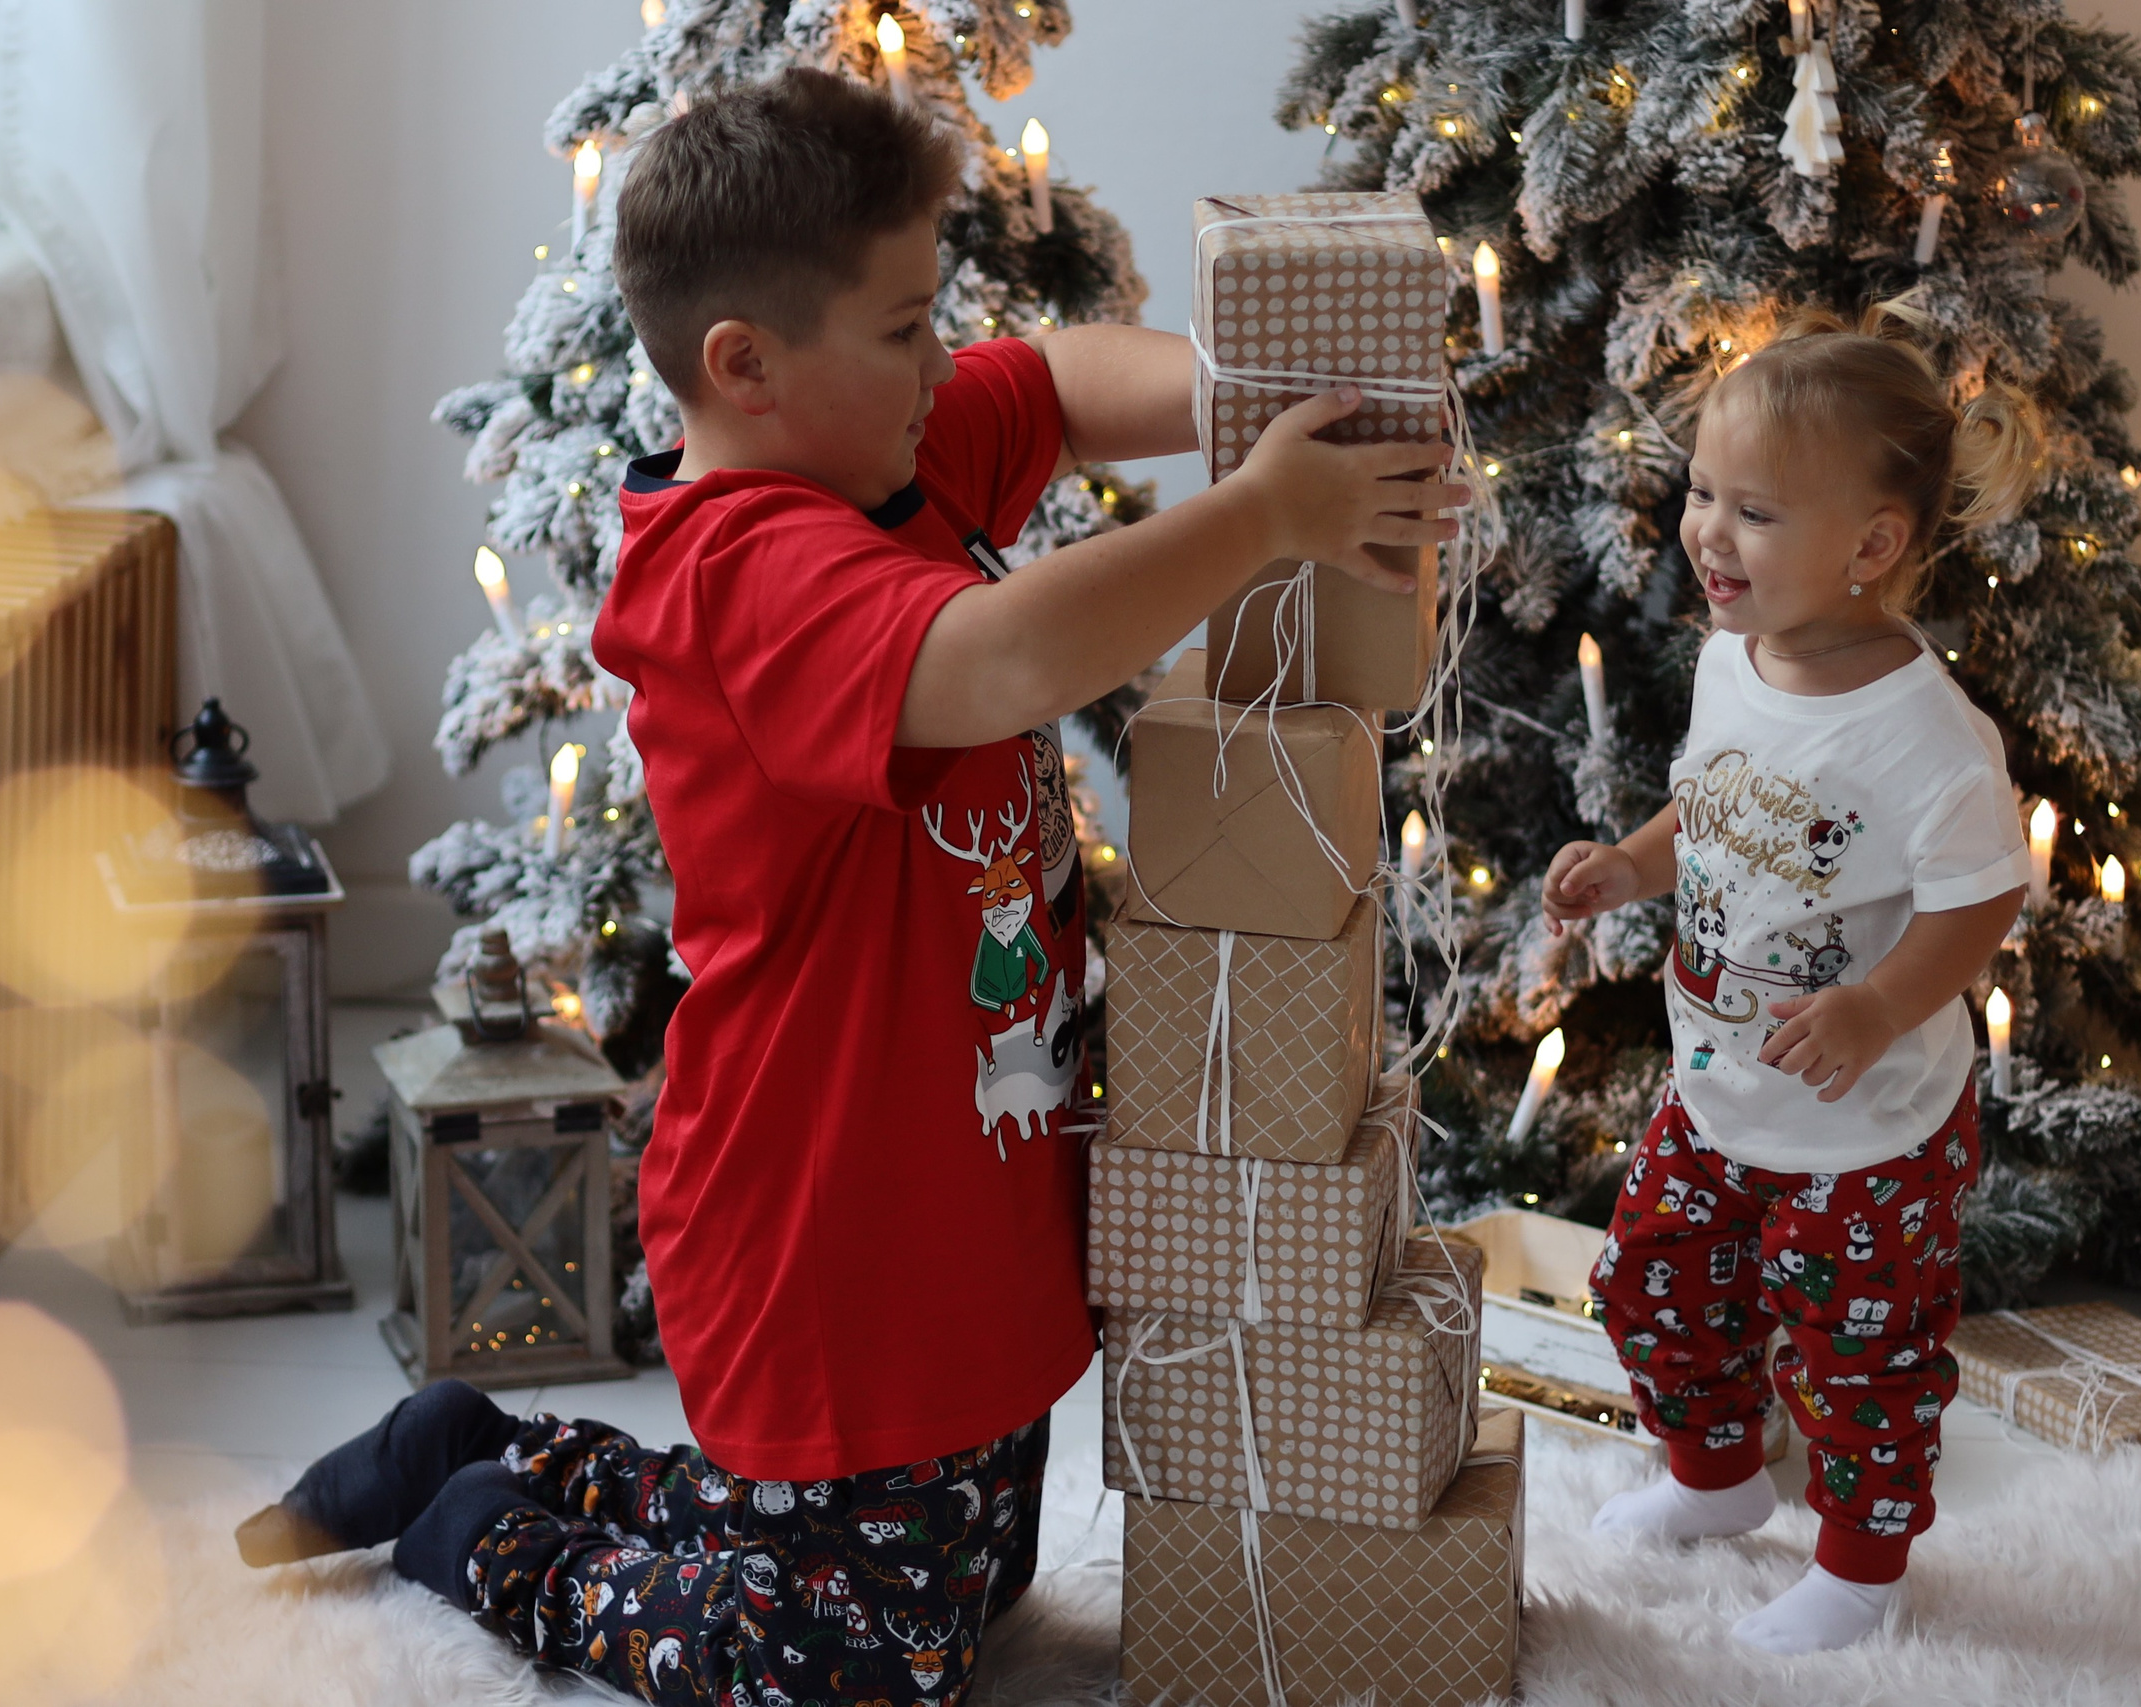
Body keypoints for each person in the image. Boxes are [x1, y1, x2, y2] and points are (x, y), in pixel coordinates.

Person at [236, 67, 1466, 1705]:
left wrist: (1264, 403)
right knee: (850, 1663)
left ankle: (491, 1445)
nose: (937, 361)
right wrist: (1259, 517)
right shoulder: (743, 573)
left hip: (964, 1211)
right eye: (900, 329)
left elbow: (1060, 382)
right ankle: (484, 1531)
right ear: (746, 365)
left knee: (955, 1585)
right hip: (828, 1245)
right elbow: (1006, 655)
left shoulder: (878, 456)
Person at [1542, 295, 2041, 1655]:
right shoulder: (1732, 659)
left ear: (1872, 545)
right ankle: (1711, 1480)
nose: (1708, 528)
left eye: (1755, 511)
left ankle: (1861, 1571)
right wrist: (1633, 869)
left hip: (1866, 1136)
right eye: (1704, 491)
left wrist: (1883, 1004)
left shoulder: (1928, 738)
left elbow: (1985, 896)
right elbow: (1707, 803)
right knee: (1652, 1280)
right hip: (1720, 1092)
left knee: (1858, 1354)